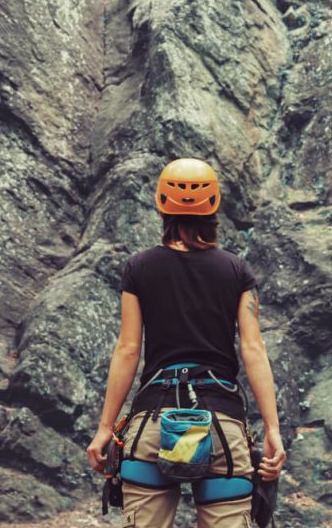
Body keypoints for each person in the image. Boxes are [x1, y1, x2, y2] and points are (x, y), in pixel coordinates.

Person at [87, 157, 286, 527]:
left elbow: (128, 349)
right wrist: (273, 430)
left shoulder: (139, 268)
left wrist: (105, 429)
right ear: (214, 207)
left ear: (162, 206)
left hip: (152, 422)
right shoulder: (237, 271)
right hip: (221, 425)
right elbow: (253, 349)